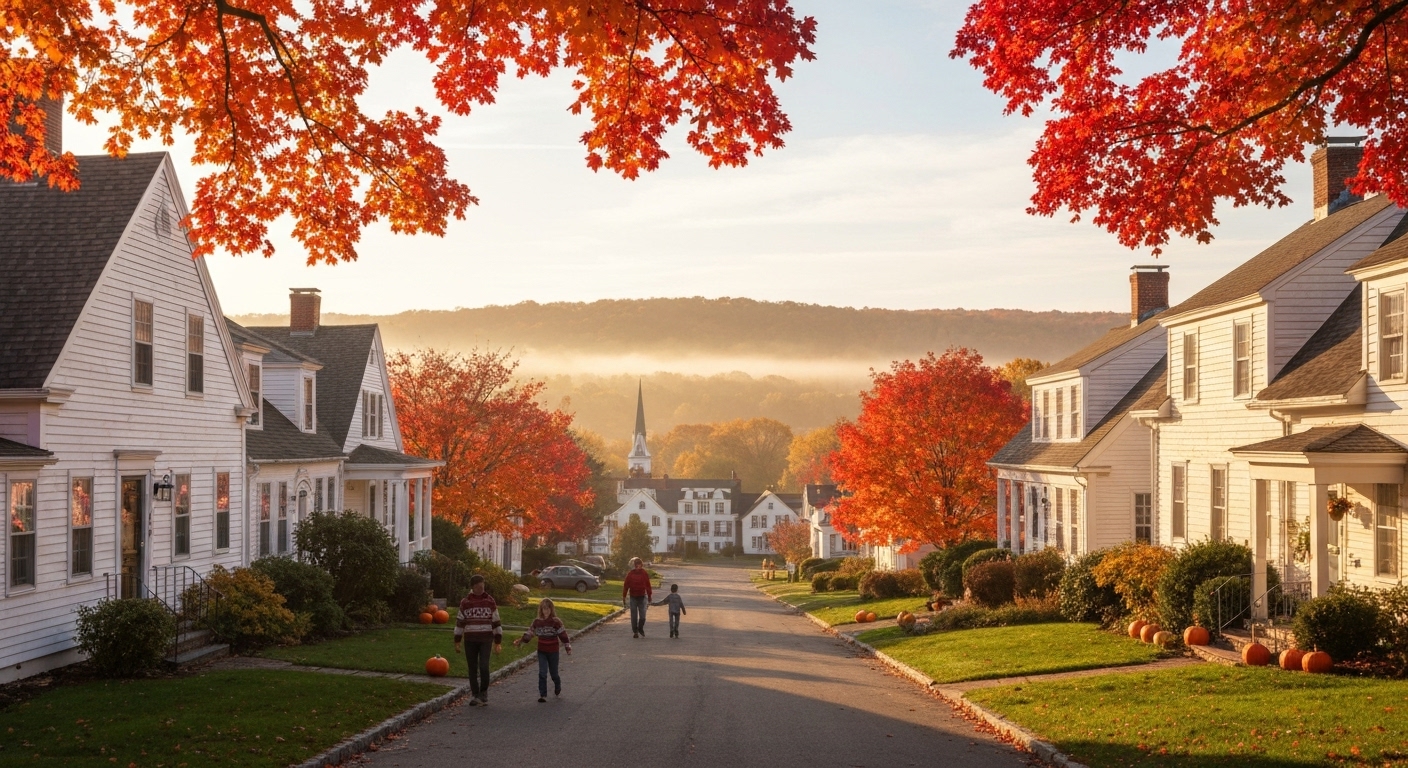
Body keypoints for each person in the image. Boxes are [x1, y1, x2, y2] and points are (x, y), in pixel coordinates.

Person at [453, 574, 502, 706]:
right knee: (472, 667)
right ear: (473, 587)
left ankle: (484, 692)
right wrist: (457, 640)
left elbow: (496, 621)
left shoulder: (490, 601)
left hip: (486, 639)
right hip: (470, 639)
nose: (481, 588)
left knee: (484, 666)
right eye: (478, 586)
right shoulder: (466, 603)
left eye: (482, 586)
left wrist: (498, 641)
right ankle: (475, 694)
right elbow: (460, 622)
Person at [513, 598, 572, 702]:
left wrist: (567, 646)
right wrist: (521, 640)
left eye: (548, 608)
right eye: (544, 609)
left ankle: (557, 684)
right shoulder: (537, 622)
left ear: (551, 609)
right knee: (542, 673)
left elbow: (563, 635)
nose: (546, 611)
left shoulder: (556, 622)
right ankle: (542, 695)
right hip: (542, 651)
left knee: (554, 673)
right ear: (541, 610)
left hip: (553, 651)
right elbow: (530, 632)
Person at [621, 557, 653, 638]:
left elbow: (648, 585)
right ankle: (635, 631)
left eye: (640, 565)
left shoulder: (644, 573)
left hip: (642, 597)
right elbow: (626, 585)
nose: (639, 567)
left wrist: (649, 595)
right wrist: (624, 596)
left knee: (643, 616)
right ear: (635, 565)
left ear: (641, 565)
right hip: (633, 597)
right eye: (637, 565)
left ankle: (640, 628)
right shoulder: (631, 574)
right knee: (634, 616)